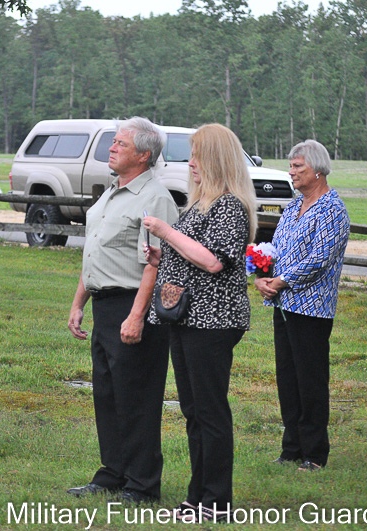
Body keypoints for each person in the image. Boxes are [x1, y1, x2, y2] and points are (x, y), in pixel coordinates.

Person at [142, 124, 257, 523]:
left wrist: (165, 231)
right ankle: (198, 496)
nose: (190, 163)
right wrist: (163, 256)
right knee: (193, 410)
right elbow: (194, 254)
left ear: (216, 160)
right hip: (187, 316)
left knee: (209, 411)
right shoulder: (199, 205)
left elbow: (213, 260)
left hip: (213, 321)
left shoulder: (228, 206)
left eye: (197, 155)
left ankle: (217, 501)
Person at [67, 117, 179, 504]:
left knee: (137, 398)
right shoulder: (112, 193)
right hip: (104, 304)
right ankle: (112, 473)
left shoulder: (155, 198)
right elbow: (96, 251)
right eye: (113, 142)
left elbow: (157, 265)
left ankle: (142, 484)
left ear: (144, 155)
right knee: (108, 395)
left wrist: (136, 315)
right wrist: (79, 302)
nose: (112, 148)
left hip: (133, 305)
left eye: (120, 144)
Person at [254, 139, 350, 473]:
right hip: (283, 304)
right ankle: (291, 447)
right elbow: (276, 246)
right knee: (288, 378)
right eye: (291, 166)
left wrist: (281, 281)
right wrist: (262, 275)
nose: (291, 172)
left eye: (298, 166)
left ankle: (314, 453)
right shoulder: (294, 205)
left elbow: (319, 259)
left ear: (318, 170)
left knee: (310, 380)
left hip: (312, 307)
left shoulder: (332, 209)